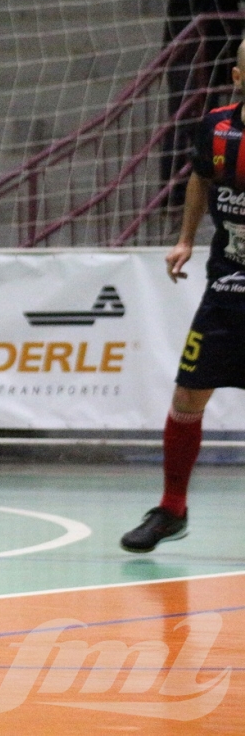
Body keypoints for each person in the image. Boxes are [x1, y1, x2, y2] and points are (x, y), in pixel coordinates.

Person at [121, 39, 245, 553]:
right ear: (238, 76)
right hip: (228, 283)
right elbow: (200, 177)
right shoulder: (217, 126)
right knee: (188, 395)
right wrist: (186, 237)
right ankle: (172, 509)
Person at [161, 0, 245, 204]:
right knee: (186, 120)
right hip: (189, 55)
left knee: (198, 120)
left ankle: (188, 188)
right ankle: (174, 191)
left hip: (204, 57)